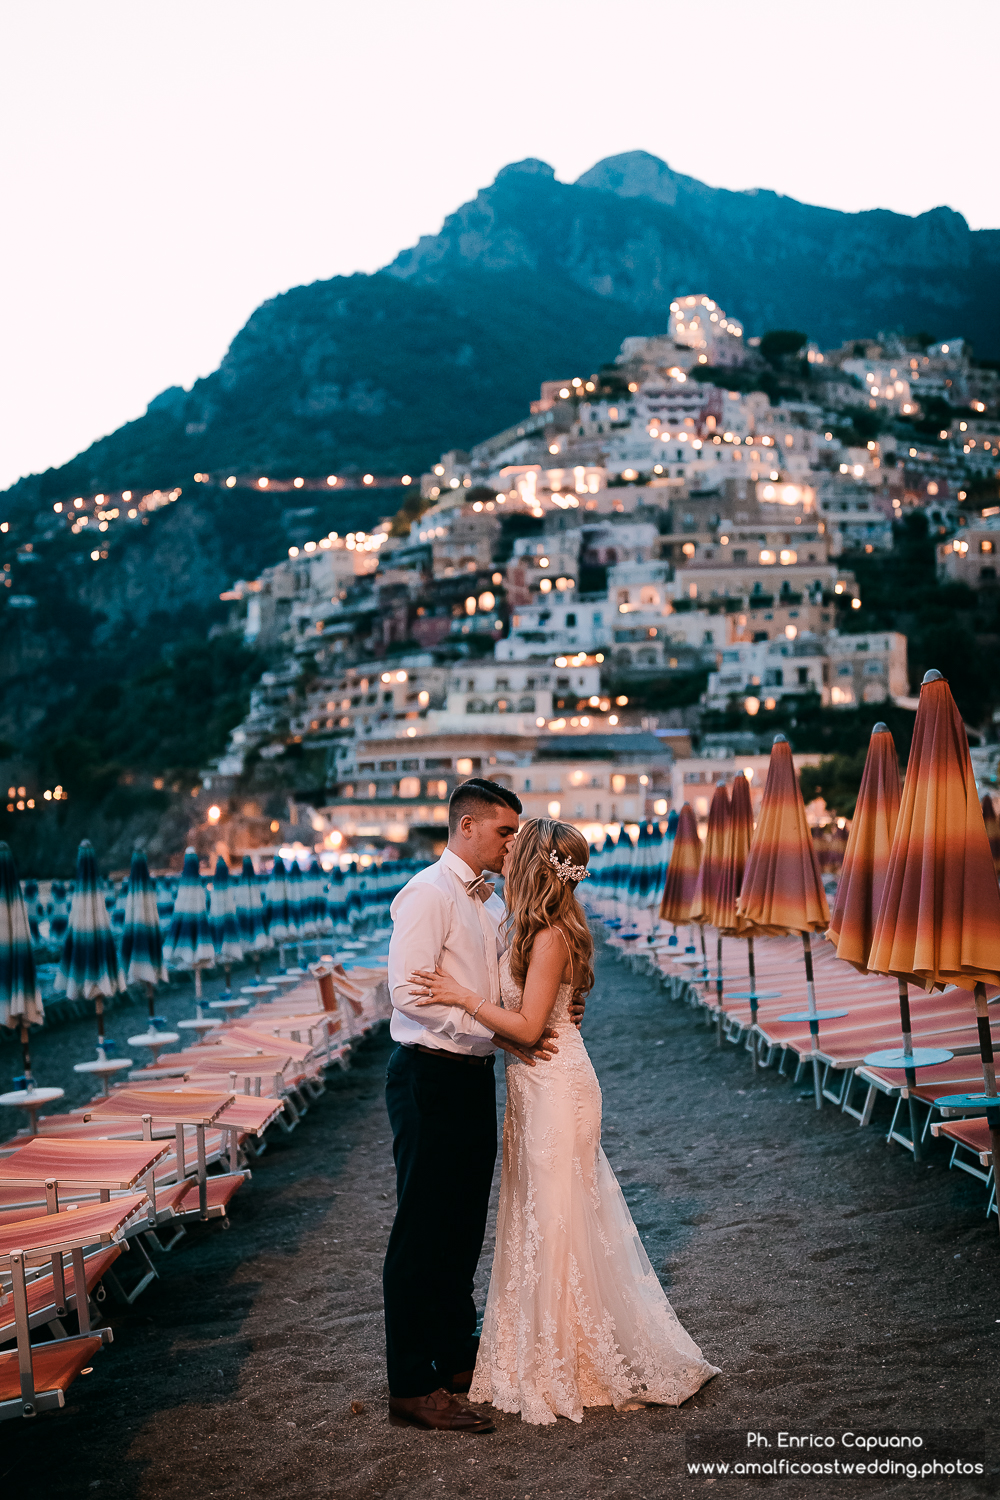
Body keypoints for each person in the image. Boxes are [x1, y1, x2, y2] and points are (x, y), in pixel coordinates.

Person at [409, 817, 720, 1426]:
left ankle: (565, 1362)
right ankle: (555, 1351)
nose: (505, 851)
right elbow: (538, 1020)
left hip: (556, 1086)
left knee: (555, 1220)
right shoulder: (531, 927)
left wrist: (456, 993)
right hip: (538, 1082)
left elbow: (528, 1027)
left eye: (515, 847)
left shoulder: (549, 933)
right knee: (542, 1217)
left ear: (530, 866)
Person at [383, 779, 584, 1434]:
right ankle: (412, 1383)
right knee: (422, 1227)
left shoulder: (495, 904)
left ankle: (454, 1352)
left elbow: (508, 988)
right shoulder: (428, 894)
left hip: (473, 1076)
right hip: (426, 1075)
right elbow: (410, 995)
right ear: (467, 827)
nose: (514, 842)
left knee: (464, 1223)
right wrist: (498, 1031)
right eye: (505, 831)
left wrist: (544, 1012)